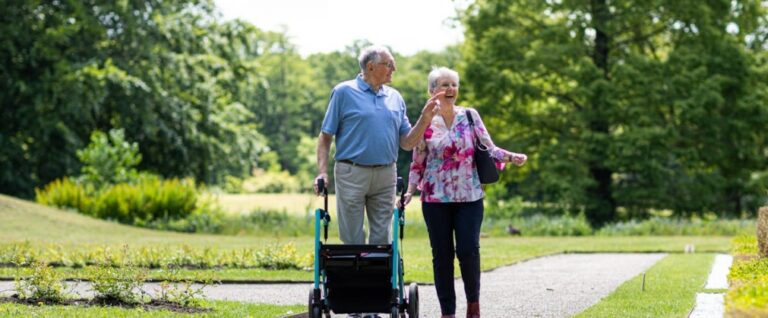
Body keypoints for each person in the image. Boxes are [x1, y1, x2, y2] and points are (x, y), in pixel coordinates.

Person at [402, 67, 527, 318]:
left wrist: (512, 157)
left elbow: (488, 148)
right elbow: (418, 161)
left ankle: (473, 305)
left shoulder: (469, 116)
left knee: (468, 250)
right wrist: (409, 191)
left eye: (454, 85)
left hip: (469, 196)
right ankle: (447, 311)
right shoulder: (425, 123)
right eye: (444, 85)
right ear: (431, 91)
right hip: (435, 198)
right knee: (442, 255)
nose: (450, 90)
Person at [314, 45, 442, 245]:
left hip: (385, 173)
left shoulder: (395, 97)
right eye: (389, 64)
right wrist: (322, 172)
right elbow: (325, 137)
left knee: (383, 237)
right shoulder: (343, 92)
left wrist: (425, 119)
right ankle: (357, 276)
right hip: (351, 172)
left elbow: (407, 143)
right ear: (371, 66)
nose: (394, 69)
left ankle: (377, 276)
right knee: (351, 236)